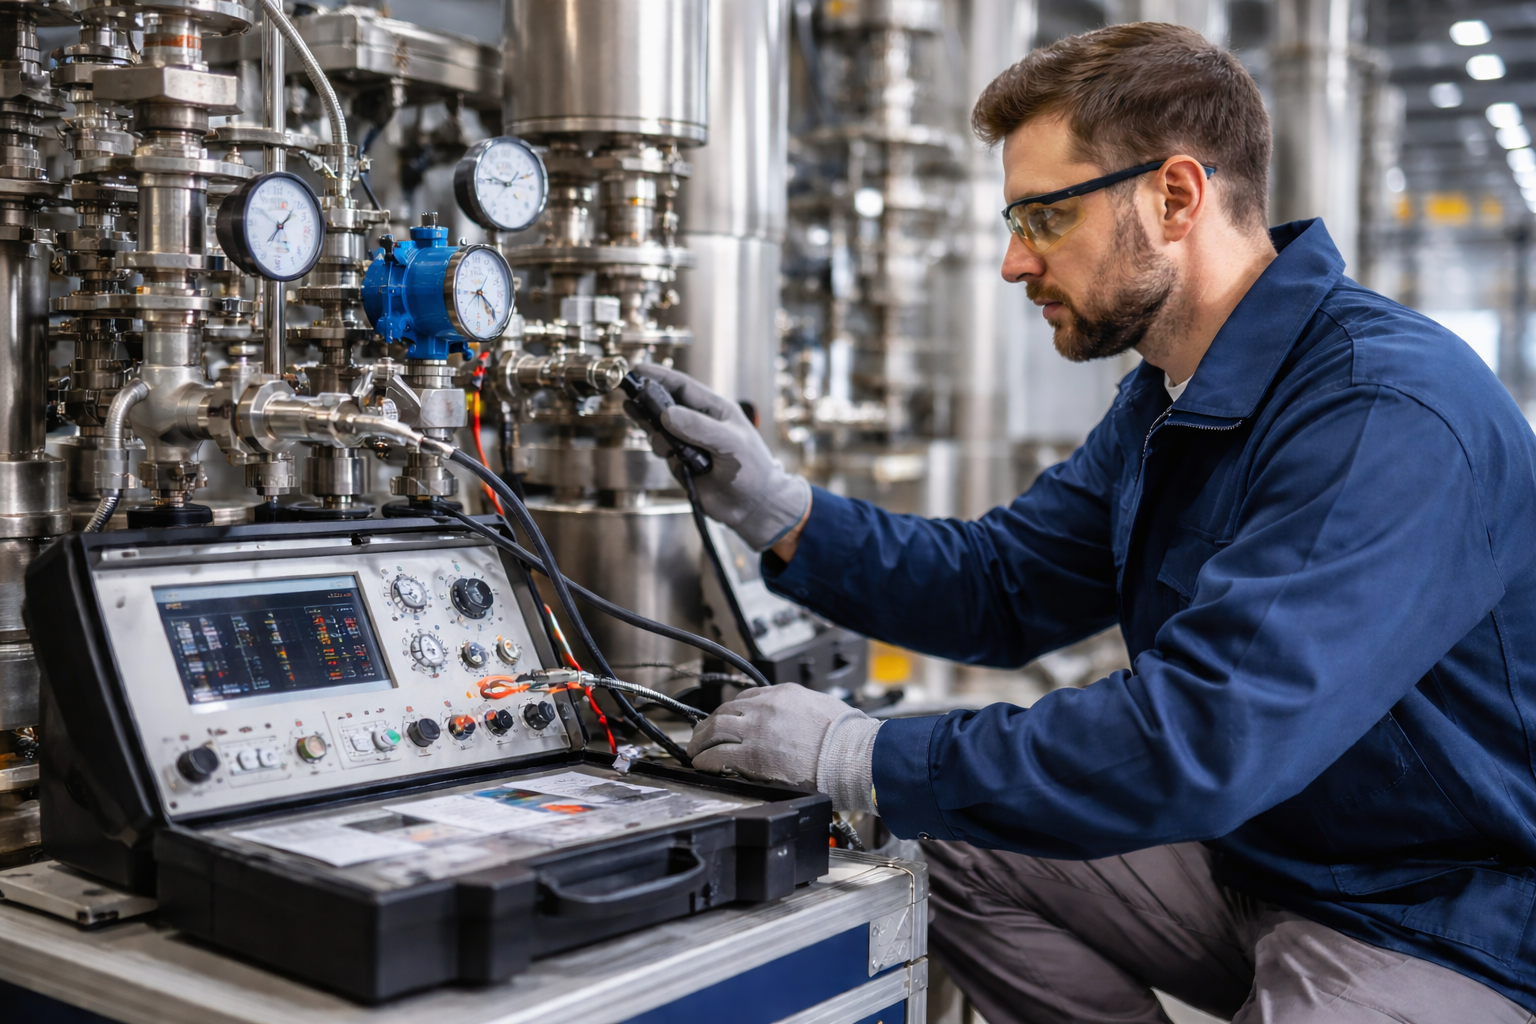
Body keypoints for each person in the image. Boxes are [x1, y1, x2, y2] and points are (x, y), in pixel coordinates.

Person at [632, 22, 1536, 1024]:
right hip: (1254, 854)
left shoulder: (1381, 410)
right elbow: (1001, 585)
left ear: (1176, 196)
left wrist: (864, 755)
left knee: (915, 786)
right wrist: (780, 509)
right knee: (947, 836)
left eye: (1046, 218)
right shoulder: (1169, 396)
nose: (1017, 263)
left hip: (1432, 913)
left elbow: (1208, 737)